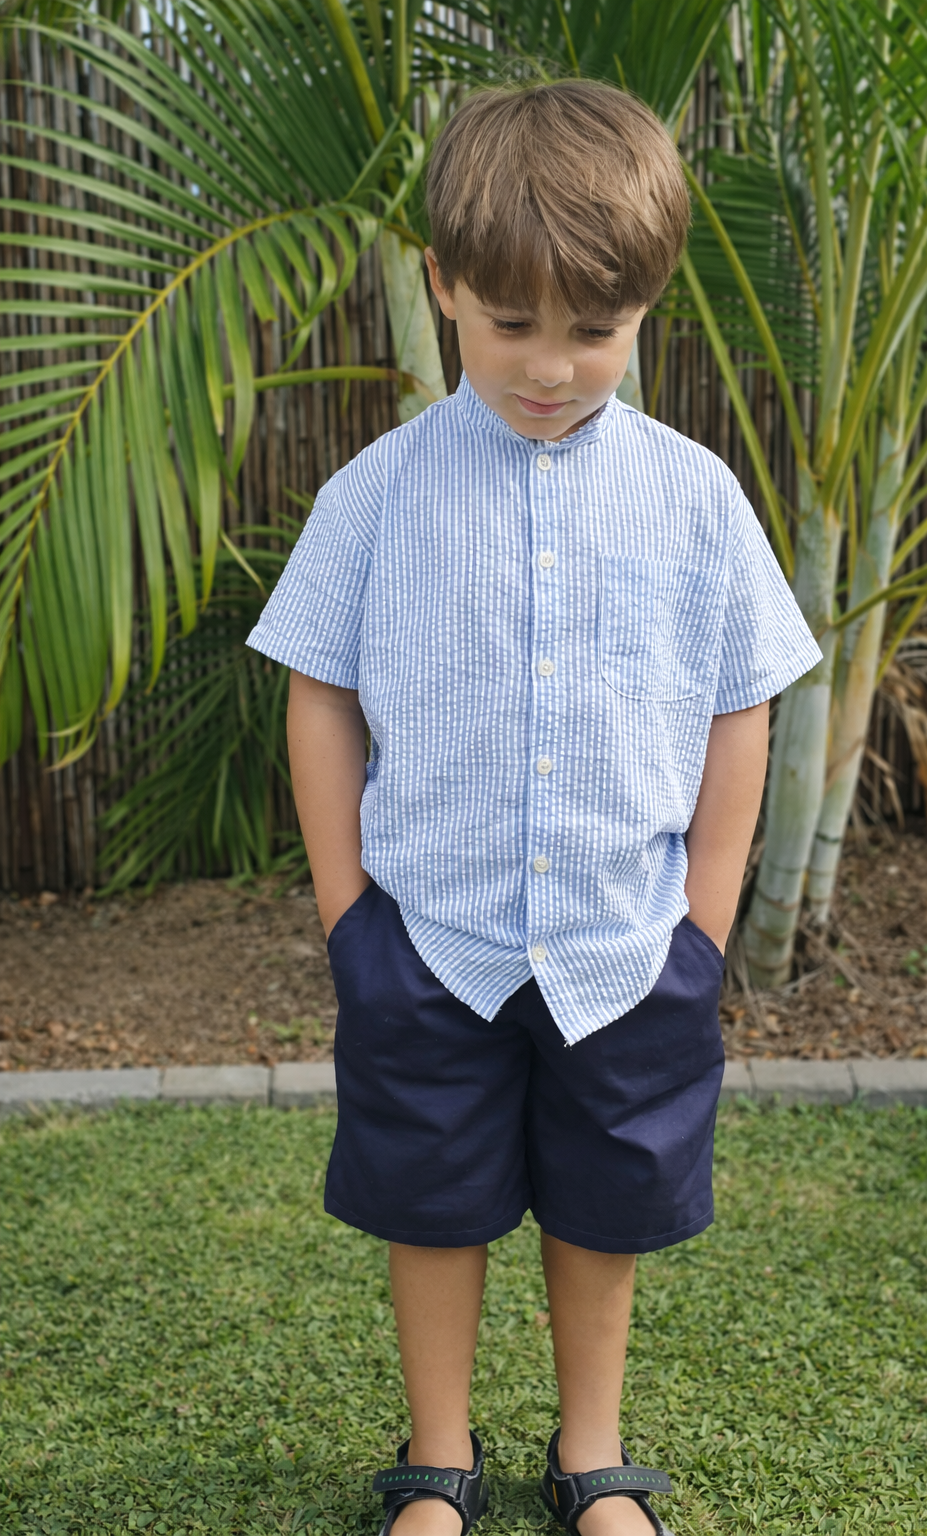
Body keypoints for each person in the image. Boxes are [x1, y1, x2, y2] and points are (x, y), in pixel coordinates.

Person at [248, 80, 821, 1536]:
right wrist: (346, 917)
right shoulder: (375, 497)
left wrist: (701, 926)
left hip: (628, 943)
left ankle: (592, 1455)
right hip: (426, 940)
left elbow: (738, 703)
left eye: (596, 330)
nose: (553, 366)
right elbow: (316, 690)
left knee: (601, 1204)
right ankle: (438, 1460)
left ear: (649, 308)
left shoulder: (696, 501)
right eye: (512, 326)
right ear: (443, 283)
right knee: (431, 1205)